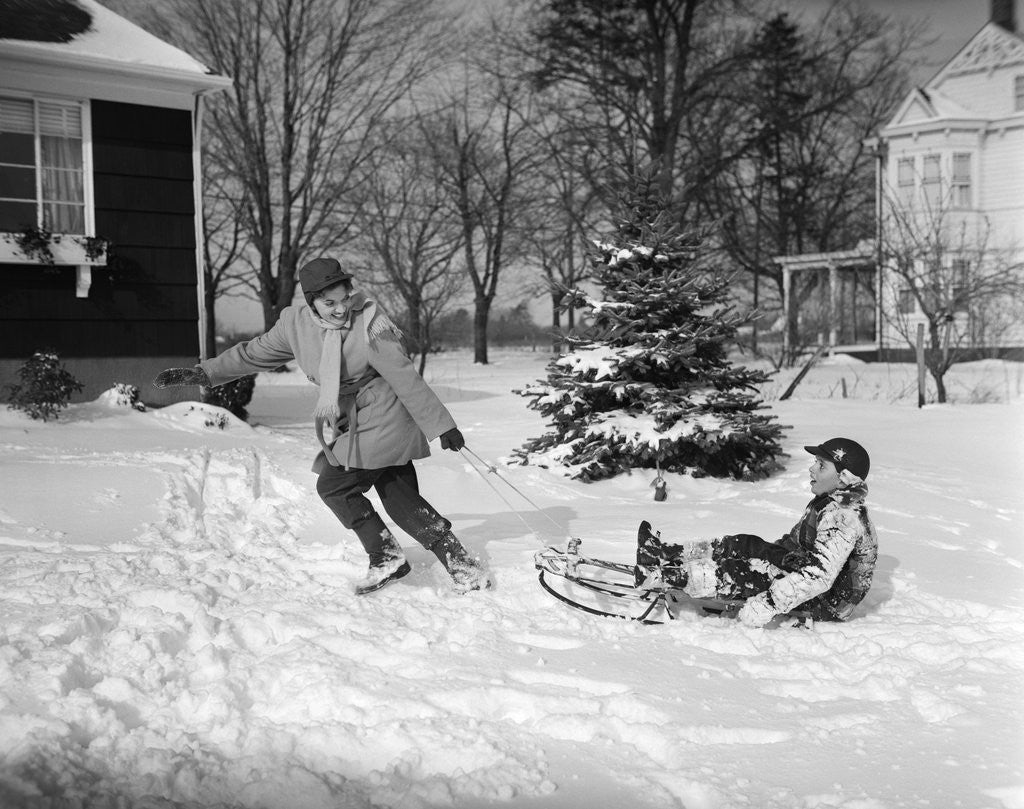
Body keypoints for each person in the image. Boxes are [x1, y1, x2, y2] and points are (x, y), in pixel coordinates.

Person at [154, 257, 491, 595]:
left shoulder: (370, 324)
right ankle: (462, 566)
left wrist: (441, 425)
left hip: (385, 413)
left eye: (345, 298)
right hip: (353, 419)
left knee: (335, 485)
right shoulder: (295, 326)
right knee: (399, 496)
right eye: (329, 303)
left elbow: (405, 376)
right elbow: (252, 354)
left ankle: (386, 555)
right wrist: (205, 372)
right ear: (311, 299)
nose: (340, 308)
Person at [635, 438, 877, 627]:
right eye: (815, 462)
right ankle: (666, 553)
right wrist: (762, 553)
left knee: (745, 573)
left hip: (826, 601)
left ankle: (666, 576)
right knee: (745, 544)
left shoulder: (843, 516)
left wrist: (768, 603)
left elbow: (818, 578)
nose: (812, 469)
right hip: (802, 568)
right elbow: (794, 542)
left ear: (844, 479)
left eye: (821, 465)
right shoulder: (826, 502)